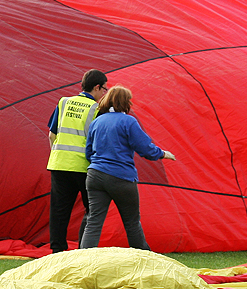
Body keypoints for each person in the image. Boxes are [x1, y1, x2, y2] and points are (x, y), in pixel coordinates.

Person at [79, 86, 176, 250]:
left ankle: (82, 261)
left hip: (95, 176)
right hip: (121, 177)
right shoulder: (128, 121)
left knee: (94, 221)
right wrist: (162, 154)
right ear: (125, 102)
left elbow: (88, 151)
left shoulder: (97, 122)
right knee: (131, 222)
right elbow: (144, 148)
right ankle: (144, 258)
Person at [46, 68, 108, 253]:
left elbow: (51, 134)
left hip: (59, 164)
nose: (105, 93)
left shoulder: (63, 102)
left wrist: (57, 154)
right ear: (97, 87)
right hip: (84, 167)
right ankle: (84, 250)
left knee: (59, 212)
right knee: (92, 211)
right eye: (104, 89)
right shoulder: (97, 109)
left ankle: (57, 252)